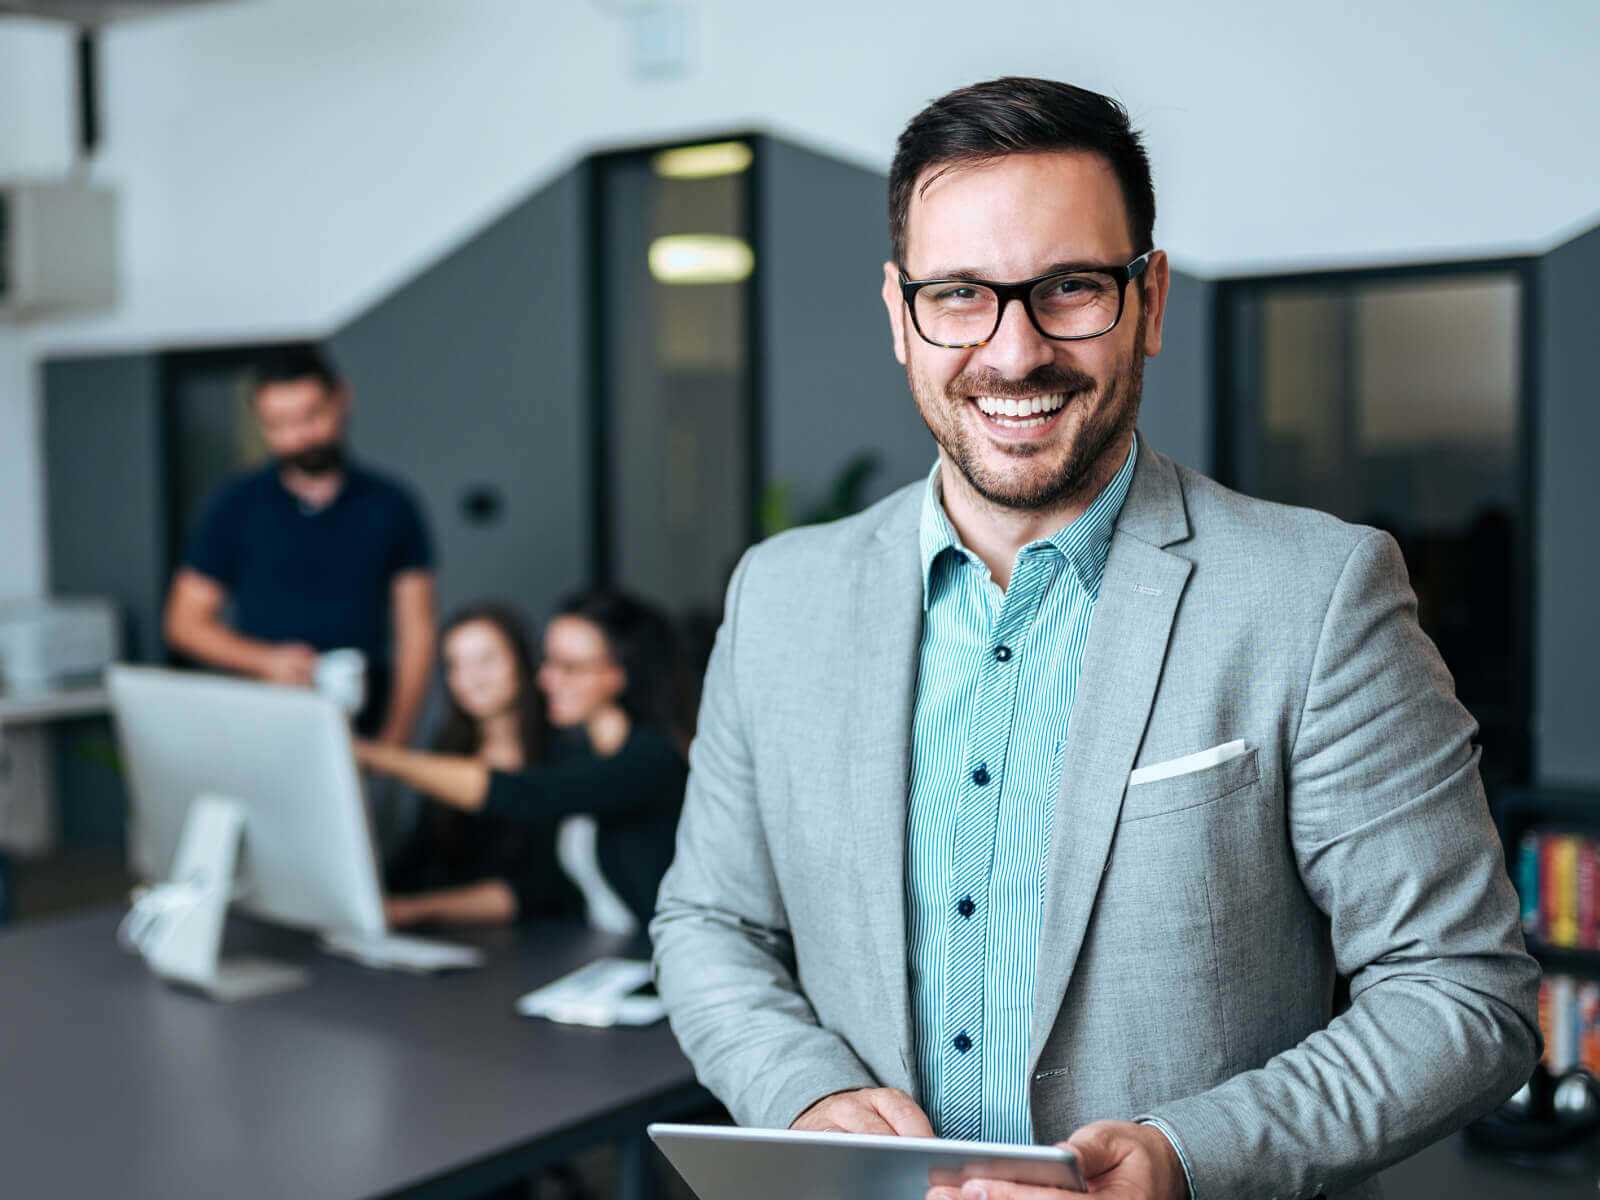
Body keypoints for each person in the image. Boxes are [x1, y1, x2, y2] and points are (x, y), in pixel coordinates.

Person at [650, 77, 1539, 1200]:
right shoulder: (781, 596)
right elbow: (707, 922)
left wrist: (1183, 1159)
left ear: (1150, 299)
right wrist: (802, 1091)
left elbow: (1459, 994)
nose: (1014, 353)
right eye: (961, 294)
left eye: (1068, 287)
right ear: (899, 314)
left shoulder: (1316, 595)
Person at [357, 589, 689, 933]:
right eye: (549, 662)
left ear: (618, 675)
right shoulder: (588, 752)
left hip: (664, 964)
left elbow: (523, 793)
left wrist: (374, 756)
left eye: (569, 667)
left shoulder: (650, 759)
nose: (545, 679)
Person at [163, 342, 436, 747]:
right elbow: (184, 623)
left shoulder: (392, 505)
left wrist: (394, 742)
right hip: (264, 729)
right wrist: (266, 662)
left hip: (364, 730)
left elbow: (417, 631)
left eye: (311, 416)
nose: (299, 436)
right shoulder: (234, 507)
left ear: (341, 398)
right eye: (279, 423)